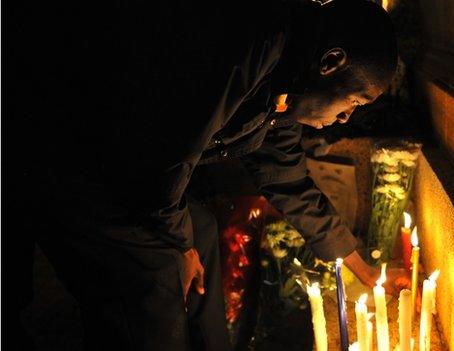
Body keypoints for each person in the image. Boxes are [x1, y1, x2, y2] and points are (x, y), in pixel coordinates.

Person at [11, 0, 405, 349]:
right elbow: (160, 158)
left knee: (200, 231)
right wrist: (178, 247)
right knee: (159, 276)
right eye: (353, 101)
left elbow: (285, 174)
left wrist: (363, 268)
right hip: (71, 152)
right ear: (331, 62)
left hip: (129, 168)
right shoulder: (251, 39)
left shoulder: (290, 75)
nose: (345, 117)